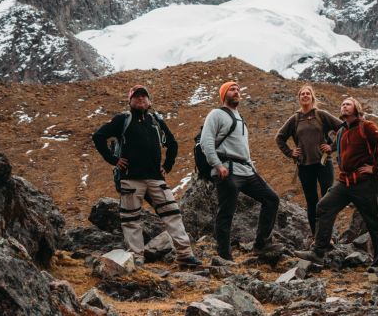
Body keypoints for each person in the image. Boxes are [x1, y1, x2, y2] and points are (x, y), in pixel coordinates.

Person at [92, 85, 201, 267]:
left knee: (173, 214)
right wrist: (114, 160)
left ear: (149, 101)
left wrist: (167, 166)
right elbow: (98, 136)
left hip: (156, 179)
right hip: (131, 179)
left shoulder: (156, 121)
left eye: (144, 96)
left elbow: (172, 144)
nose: (141, 99)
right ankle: (136, 258)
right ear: (130, 101)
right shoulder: (123, 120)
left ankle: (185, 255)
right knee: (131, 220)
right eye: (136, 97)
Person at [296, 96, 378, 267]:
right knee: (323, 207)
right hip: (344, 182)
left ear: (357, 108)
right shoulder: (341, 131)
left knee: (371, 220)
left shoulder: (366, 126)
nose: (344, 106)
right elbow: (337, 148)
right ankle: (319, 251)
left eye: (348, 104)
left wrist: (375, 168)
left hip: (364, 182)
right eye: (342, 104)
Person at [200, 80, 280, 262]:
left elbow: (243, 147)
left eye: (237, 89)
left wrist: (252, 166)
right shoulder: (216, 114)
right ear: (223, 95)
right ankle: (224, 257)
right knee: (226, 212)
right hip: (227, 170)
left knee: (271, 199)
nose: (236, 92)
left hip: (246, 170)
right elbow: (206, 141)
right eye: (231, 89)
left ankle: (262, 244)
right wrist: (217, 165)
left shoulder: (240, 118)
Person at [275, 84, 342, 237]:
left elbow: (342, 128)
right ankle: (316, 237)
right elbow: (279, 138)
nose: (305, 96)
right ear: (299, 98)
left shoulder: (321, 114)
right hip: (304, 166)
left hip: (323, 163)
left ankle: (328, 237)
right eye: (302, 94)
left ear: (312, 97)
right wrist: (290, 152)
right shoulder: (295, 119)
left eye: (308, 94)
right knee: (312, 203)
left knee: (327, 201)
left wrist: (331, 147)